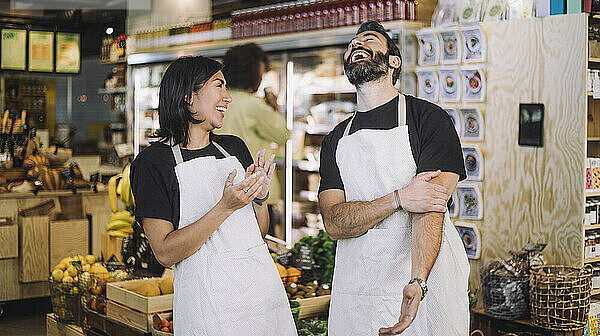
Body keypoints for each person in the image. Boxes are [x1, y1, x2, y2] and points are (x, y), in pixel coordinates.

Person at [318, 21, 470, 335]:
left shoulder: (428, 119)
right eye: (352, 44)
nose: (356, 44)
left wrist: (417, 280)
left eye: (369, 40)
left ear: (393, 61)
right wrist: (398, 199)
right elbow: (334, 222)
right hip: (358, 282)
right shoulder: (335, 138)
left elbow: (430, 206)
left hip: (421, 277)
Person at [131, 56, 297, 336]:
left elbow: (257, 235)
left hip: (260, 298)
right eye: (219, 86)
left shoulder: (234, 148)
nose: (228, 97)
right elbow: (165, 252)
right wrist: (225, 207)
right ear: (188, 97)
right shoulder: (152, 163)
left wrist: (259, 199)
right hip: (208, 307)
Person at [215, 43, 289, 230]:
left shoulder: (218, 100)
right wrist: (275, 107)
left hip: (222, 190)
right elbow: (283, 134)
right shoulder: (254, 105)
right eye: (261, 74)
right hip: (254, 191)